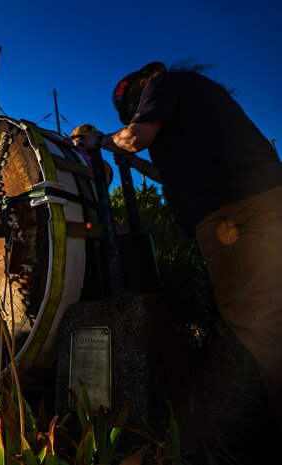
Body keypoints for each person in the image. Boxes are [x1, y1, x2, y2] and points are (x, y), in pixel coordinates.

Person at [82, 61, 282, 428]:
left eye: (131, 109)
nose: (134, 113)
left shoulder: (164, 86)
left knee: (261, 321)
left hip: (234, 214)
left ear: (138, 90)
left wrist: (99, 141)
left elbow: (135, 137)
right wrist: (133, 162)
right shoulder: (194, 97)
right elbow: (167, 173)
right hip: (263, 202)